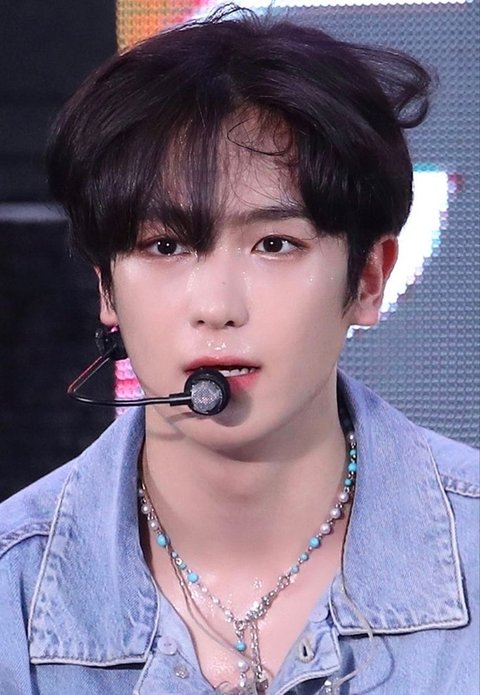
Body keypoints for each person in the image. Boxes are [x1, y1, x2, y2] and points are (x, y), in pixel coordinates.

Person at [0, 8, 478, 695]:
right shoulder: (13, 587)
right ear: (107, 286)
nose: (217, 305)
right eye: (166, 245)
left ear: (369, 279)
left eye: (274, 244)